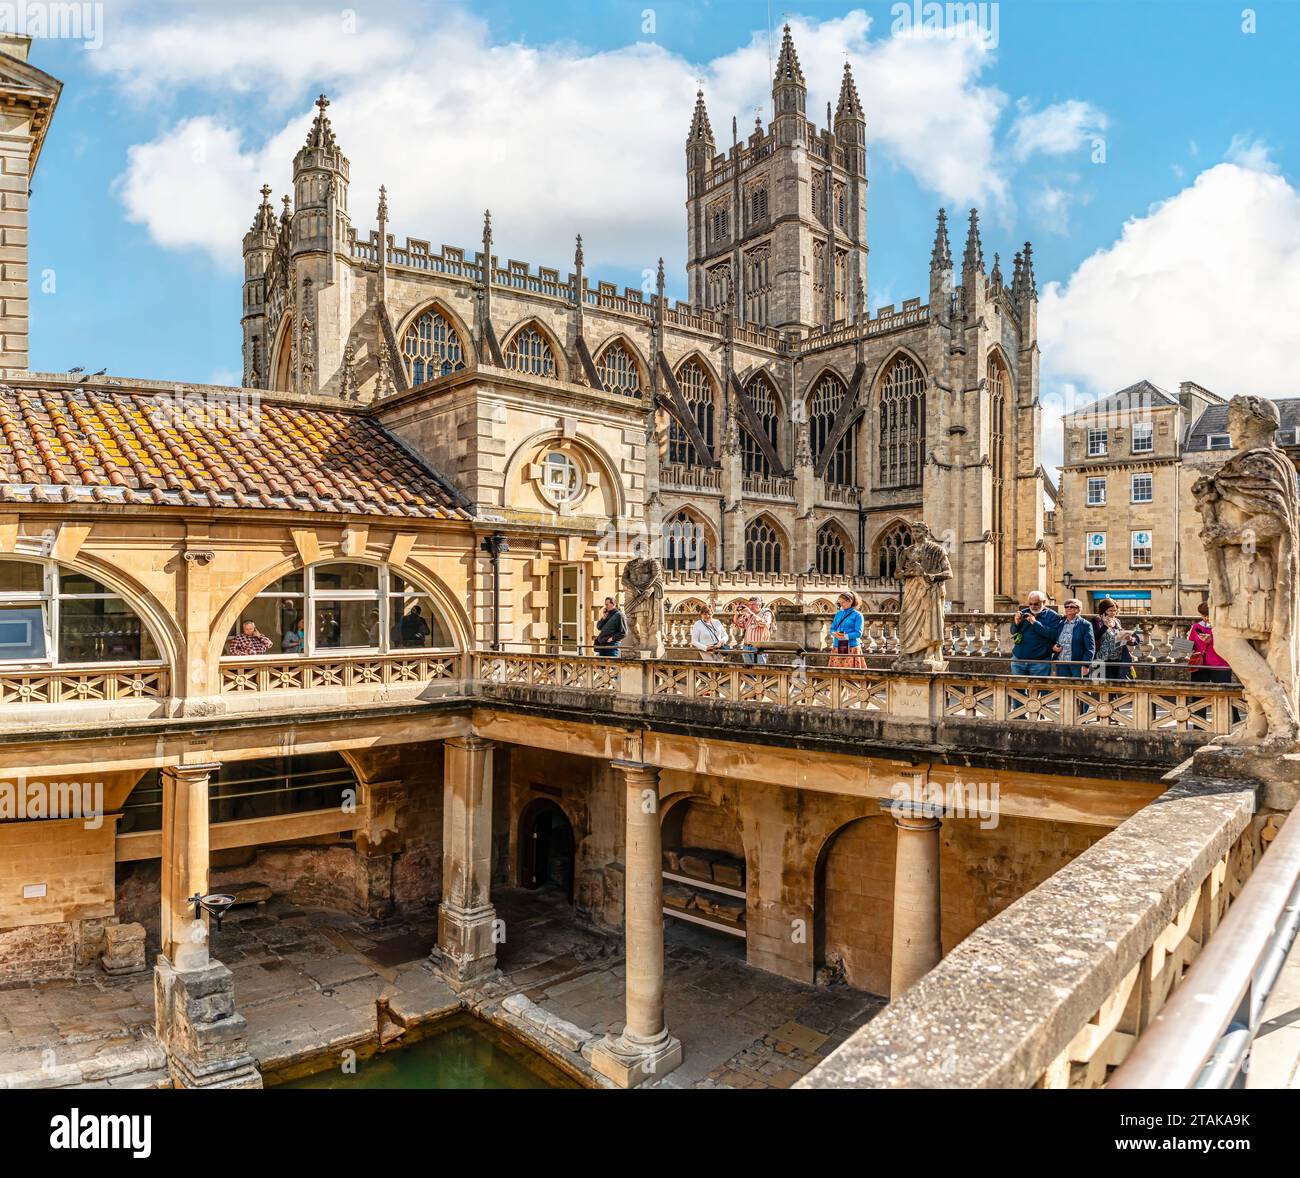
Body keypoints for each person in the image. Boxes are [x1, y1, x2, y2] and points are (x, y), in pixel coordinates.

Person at [1010, 590, 1060, 676]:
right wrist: (1016, 623)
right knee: (1017, 685)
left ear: (1044, 602)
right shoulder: (1024, 612)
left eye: (1036, 604)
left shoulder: (1053, 616)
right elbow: (1013, 631)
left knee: (1040, 685)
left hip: (1040, 662)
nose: (1033, 606)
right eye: (1030, 604)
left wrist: (1035, 623)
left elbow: (1053, 635)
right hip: (1018, 659)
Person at [1090, 598, 1139, 681]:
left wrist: (1130, 639)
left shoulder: (1117, 621)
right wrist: (1105, 626)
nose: (1113, 613)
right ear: (1103, 610)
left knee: (1116, 683)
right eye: (1110, 611)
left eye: (1115, 610)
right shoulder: (1096, 621)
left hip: (1118, 658)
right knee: (1103, 684)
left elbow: (1128, 637)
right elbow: (1093, 637)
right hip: (1102, 659)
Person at [1188, 600, 1232, 684]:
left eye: (1208, 615)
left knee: (1222, 691)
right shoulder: (1196, 627)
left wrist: (1211, 641)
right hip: (1199, 665)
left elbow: (1230, 645)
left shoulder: (1224, 627)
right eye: (1203, 615)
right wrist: (1182, 645)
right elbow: (1192, 645)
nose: (1206, 618)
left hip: (1220, 665)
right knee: (1198, 691)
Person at [1051, 598, 1095, 677]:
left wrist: (1086, 665)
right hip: (1061, 662)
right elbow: (1054, 639)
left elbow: (1090, 647)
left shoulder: (1085, 625)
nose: (1068, 608)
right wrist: (1054, 646)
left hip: (1077, 664)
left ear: (1078, 609)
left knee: (1079, 685)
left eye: (1071, 607)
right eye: (1066, 606)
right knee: (1062, 684)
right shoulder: (1060, 624)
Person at [829, 591, 867, 669]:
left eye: (843, 602)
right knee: (836, 673)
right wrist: (834, 633)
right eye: (840, 602)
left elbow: (858, 633)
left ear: (850, 601)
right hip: (837, 646)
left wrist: (845, 636)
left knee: (851, 674)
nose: (841, 605)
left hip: (852, 647)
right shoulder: (838, 614)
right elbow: (832, 628)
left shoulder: (858, 615)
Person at [734, 595, 774, 665]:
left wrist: (751, 613)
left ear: (759, 605)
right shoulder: (748, 615)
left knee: (760, 669)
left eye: (753, 604)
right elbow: (739, 624)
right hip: (747, 647)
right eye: (749, 605)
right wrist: (737, 613)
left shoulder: (766, 613)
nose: (750, 607)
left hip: (759, 647)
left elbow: (763, 624)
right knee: (749, 670)